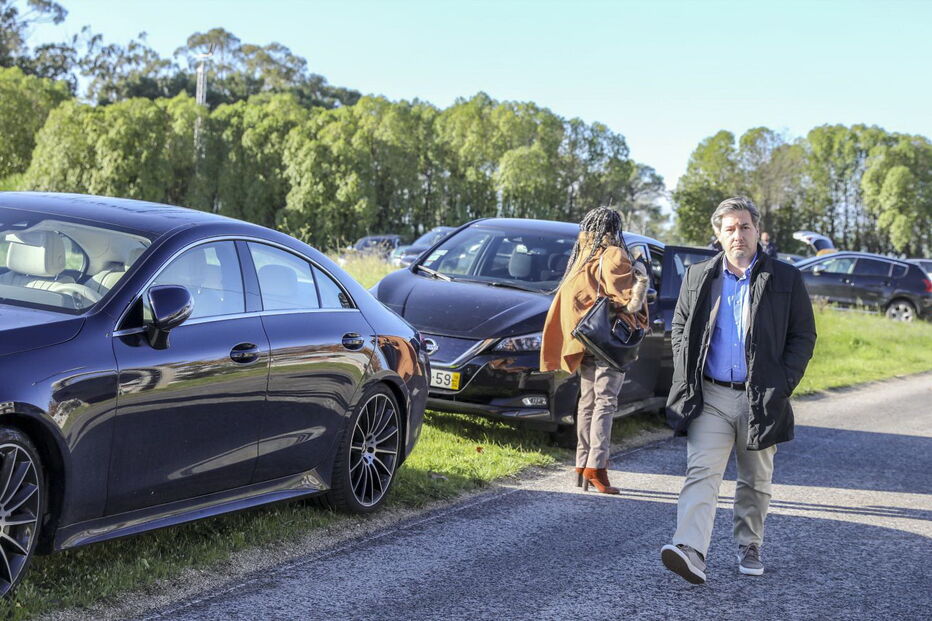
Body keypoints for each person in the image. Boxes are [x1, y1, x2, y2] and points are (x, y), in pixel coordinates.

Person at [660, 196, 816, 584]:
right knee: (701, 471)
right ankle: (691, 549)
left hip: (760, 395)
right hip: (710, 395)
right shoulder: (699, 276)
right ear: (717, 233)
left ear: (756, 231)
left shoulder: (785, 277)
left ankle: (750, 543)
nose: (737, 235)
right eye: (729, 228)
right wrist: (686, 369)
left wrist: (782, 384)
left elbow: (803, 336)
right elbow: (679, 326)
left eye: (744, 227)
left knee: (755, 478)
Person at [540, 207, 650, 494]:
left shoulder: (581, 255)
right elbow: (630, 304)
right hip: (609, 342)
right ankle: (597, 468)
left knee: (587, 402)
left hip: (585, 340)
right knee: (605, 403)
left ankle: (581, 464)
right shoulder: (614, 255)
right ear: (615, 229)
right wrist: (641, 278)